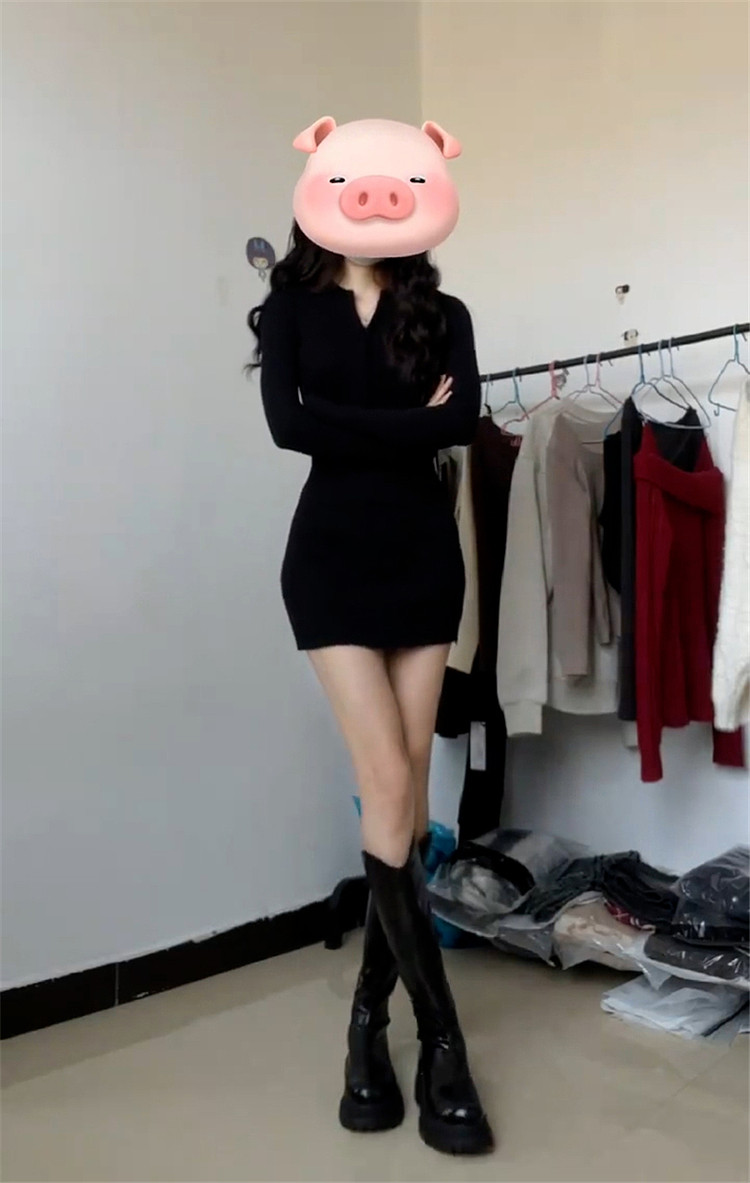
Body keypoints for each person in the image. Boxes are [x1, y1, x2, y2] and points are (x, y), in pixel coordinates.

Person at [248, 117, 493, 1157]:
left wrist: (366, 426)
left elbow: (461, 421)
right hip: (331, 565)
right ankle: (442, 1042)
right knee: (388, 784)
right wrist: (405, 425)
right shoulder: (291, 310)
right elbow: (287, 426)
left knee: (408, 801)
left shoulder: (445, 313)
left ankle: (365, 1024)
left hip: (425, 562)